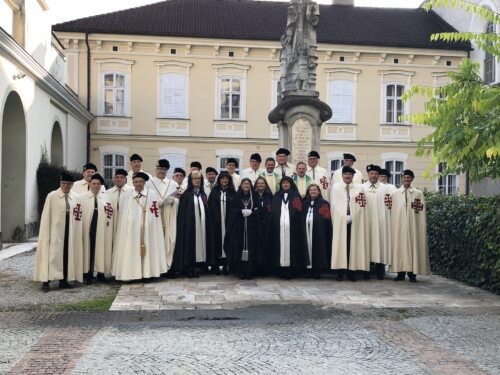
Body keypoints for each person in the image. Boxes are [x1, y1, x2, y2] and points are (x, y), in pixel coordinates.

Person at [112, 172, 168, 281]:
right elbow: (125, 214)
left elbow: (155, 212)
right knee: (131, 250)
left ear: (144, 183)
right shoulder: (128, 194)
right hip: (132, 230)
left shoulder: (151, 194)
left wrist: (150, 222)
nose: (138, 184)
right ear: (133, 183)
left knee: (149, 249)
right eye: (136, 182)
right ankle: (131, 274)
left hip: (148, 229)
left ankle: (147, 274)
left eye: (140, 182)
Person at [34, 172, 83, 291]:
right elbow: (46, 216)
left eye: (68, 184)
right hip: (55, 231)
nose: (66, 186)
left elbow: (78, 215)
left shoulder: (76, 197)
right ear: (60, 183)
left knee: (66, 254)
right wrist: (47, 232)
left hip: (69, 231)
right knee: (52, 255)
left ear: (72, 185)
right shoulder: (52, 196)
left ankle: (63, 280)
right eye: (63, 183)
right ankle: (46, 281)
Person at [172, 171, 214, 278]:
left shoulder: (203, 194)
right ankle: (190, 266)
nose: (197, 181)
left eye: (199, 179)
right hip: (190, 226)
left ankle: (202, 264)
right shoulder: (186, 195)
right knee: (191, 243)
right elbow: (183, 213)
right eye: (195, 179)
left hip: (202, 225)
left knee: (203, 241)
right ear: (191, 181)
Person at [330, 166, 369, 282]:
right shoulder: (336, 187)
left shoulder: (359, 188)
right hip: (340, 221)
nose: (347, 176)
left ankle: (352, 271)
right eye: (345, 174)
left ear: (353, 176)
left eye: (349, 174)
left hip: (354, 221)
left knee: (353, 246)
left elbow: (362, 205)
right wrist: (342, 216)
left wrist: (353, 215)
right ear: (342, 175)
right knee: (341, 245)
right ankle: (340, 272)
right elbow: (334, 204)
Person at [390, 170, 430, 282]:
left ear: (412, 179)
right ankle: (400, 273)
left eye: (408, 177)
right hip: (399, 225)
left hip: (413, 226)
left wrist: (418, 225)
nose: (406, 179)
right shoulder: (395, 194)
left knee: (413, 246)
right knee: (400, 248)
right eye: (404, 177)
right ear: (401, 179)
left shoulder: (418, 193)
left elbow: (421, 212)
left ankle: (412, 274)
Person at [268, 176, 309, 279]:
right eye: (283, 183)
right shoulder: (277, 196)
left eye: (287, 183)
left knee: (292, 248)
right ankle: (280, 270)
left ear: (291, 184)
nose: (285, 184)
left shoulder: (295, 195)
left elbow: (298, 211)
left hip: (293, 228)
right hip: (279, 228)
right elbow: (274, 211)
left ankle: (291, 270)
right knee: (279, 248)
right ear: (281, 185)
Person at [225, 178, 262, 279]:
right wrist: (240, 211)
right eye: (244, 183)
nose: (246, 185)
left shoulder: (254, 197)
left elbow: (259, 210)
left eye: (248, 184)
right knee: (239, 247)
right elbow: (231, 211)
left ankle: (249, 271)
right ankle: (240, 271)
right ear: (241, 185)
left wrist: (252, 212)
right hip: (239, 228)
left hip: (251, 228)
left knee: (251, 248)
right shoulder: (236, 197)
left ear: (250, 185)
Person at [80, 173, 114, 284]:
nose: (95, 186)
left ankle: (101, 273)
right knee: (88, 250)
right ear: (90, 184)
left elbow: (110, 214)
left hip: (101, 229)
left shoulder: (106, 198)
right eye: (93, 183)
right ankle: (88, 274)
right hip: (88, 229)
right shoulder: (82, 198)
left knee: (101, 250)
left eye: (98, 184)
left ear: (101, 185)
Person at [146, 159, 178, 271]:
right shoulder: (148, 183)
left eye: (164, 169)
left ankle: (168, 267)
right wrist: (157, 202)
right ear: (156, 169)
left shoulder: (173, 184)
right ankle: (154, 268)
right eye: (160, 168)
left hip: (169, 218)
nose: (162, 171)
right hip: (153, 216)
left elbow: (177, 200)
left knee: (168, 241)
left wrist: (173, 201)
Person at [363, 164, 391, 280]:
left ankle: (380, 271)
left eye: (375, 174)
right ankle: (366, 272)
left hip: (380, 222)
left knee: (380, 244)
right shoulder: (362, 188)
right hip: (367, 222)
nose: (373, 176)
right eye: (371, 173)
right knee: (367, 244)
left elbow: (389, 206)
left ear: (379, 175)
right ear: (368, 174)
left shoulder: (385, 189)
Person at [208, 171, 236, 275]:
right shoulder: (214, 191)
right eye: (222, 179)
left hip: (228, 223)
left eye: (226, 179)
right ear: (219, 180)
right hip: (216, 223)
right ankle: (215, 265)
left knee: (228, 242)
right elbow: (210, 207)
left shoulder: (233, 192)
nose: (224, 180)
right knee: (215, 242)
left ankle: (226, 265)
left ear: (229, 180)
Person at [303, 184, 332, 279]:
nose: (313, 192)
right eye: (311, 190)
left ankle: (317, 271)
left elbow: (327, 218)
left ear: (319, 191)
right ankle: (308, 270)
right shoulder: (305, 203)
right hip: (307, 231)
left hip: (319, 231)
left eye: (315, 190)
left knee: (318, 250)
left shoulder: (323, 203)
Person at [254, 176, 274, 275]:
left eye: (262, 183)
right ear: (256, 185)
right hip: (255, 226)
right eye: (258, 183)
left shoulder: (270, 196)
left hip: (267, 226)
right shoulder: (253, 196)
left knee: (267, 246)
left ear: (265, 185)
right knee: (256, 246)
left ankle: (266, 268)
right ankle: (256, 267)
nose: (260, 185)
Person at [106, 169, 133, 244]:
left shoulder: (132, 192)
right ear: (114, 180)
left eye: (122, 177)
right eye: (117, 177)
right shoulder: (108, 192)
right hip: (112, 224)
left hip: (126, 224)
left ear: (126, 180)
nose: (119, 179)